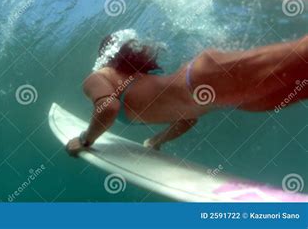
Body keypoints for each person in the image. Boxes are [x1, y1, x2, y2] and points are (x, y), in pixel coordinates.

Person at [66, 29, 308, 156]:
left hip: (205, 78)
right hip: (225, 96)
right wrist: (156, 141)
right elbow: (187, 118)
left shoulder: (97, 77)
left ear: (104, 55)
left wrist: (86, 139)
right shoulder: (136, 80)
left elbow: (108, 108)